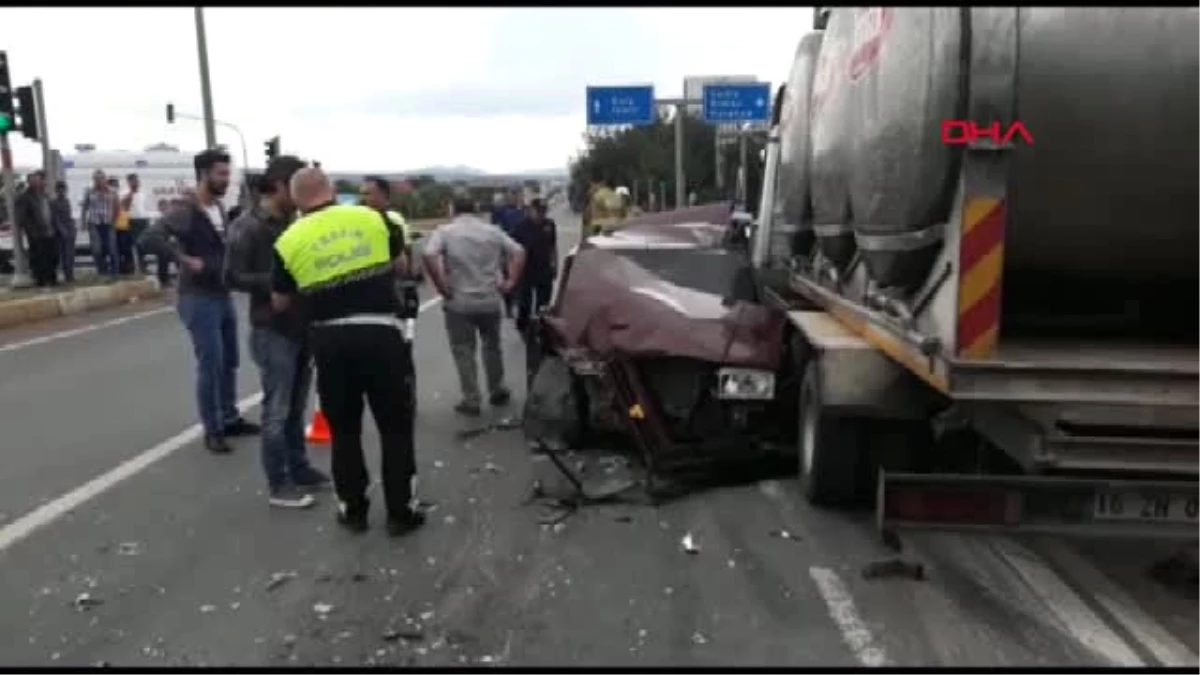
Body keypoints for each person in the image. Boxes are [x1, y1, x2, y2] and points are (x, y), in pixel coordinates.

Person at [271, 167, 424, 536]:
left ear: (296, 200)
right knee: (395, 428)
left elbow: (278, 302)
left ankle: (353, 511)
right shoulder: (372, 218)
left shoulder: (287, 240)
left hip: (329, 341)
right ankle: (401, 513)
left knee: (344, 431)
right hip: (380, 332)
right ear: (332, 190)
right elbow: (401, 265)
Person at [225, 155, 331, 509]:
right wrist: (275, 283)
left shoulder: (293, 223)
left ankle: (299, 468)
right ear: (280, 187)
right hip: (272, 327)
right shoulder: (248, 227)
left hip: (301, 324)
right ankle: (278, 483)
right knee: (277, 409)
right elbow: (231, 276)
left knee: (296, 407)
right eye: (294, 186)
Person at [140, 149, 259, 454]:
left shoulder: (218, 206)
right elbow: (149, 238)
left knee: (229, 360)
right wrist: (182, 259)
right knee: (211, 363)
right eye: (221, 174)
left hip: (221, 294)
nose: (226, 179)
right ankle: (213, 428)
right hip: (198, 298)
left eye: (227, 173)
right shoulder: (185, 208)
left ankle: (230, 417)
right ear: (204, 174)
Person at [422, 191, 525, 417]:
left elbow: (429, 254)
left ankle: (471, 399)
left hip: (459, 301)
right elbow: (518, 252)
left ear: (453, 209)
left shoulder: (445, 232)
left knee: (463, 350)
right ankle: (497, 389)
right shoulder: (492, 231)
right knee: (492, 346)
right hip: (489, 299)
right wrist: (511, 281)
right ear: (476, 209)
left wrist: (441, 285)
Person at [510, 198, 557, 334]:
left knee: (543, 302)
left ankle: (541, 327)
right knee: (524, 302)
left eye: (544, 211)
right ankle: (523, 325)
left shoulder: (549, 225)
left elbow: (552, 246)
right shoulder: (521, 226)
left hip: (544, 268)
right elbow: (512, 249)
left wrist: (554, 264)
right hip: (526, 269)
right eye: (539, 211)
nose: (542, 215)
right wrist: (513, 269)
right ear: (531, 210)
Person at [14, 171, 59, 288]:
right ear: (29, 182)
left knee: (52, 255)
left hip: (49, 231)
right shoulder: (24, 197)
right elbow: (22, 217)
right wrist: (31, 230)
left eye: (39, 180)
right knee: (39, 257)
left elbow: (50, 211)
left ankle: (52, 278)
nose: (38, 182)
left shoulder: (45, 195)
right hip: (36, 233)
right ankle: (41, 280)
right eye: (35, 180)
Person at [491, 191, 525, 318]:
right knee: (507, 276)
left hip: (519, 248)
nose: (515, 197)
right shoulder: (501, 212)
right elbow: (495, 228)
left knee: (520, 277)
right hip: (506, 248)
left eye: (517, 195)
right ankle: (509, 305)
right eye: (513, 195)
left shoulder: (522, 211)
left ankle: (517, 301)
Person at [81, 170, 119, 278]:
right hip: (94, 223)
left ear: (105, 180)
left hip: (109, 223)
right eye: (96, 179)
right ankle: (102, 271)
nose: (98, 181)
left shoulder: (112, 191)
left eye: (101, 179)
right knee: (97, 250)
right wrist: (83, 222)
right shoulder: (89, 192)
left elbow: (117, 207)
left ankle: (114, 273)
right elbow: (84, 208)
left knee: (112, 249)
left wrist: (114, 221)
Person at [123, 173, 152, 276]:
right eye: (134, 181)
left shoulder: (143, 193)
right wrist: (131, 192)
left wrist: (148, 220)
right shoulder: (125, 193)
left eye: (137, 181)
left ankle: (143, 266)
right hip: (132, 221)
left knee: (143, 245)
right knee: (135, 245)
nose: (136, 183)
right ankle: (136, 268)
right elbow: (125, 207)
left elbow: (146, 208)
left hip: (143, 221)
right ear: (129, 182)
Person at [50, 181, 76, 284]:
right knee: (62, 255)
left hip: (70, 230)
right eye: (59, 189)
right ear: (57, 190)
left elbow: (69, 216)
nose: (62, 191)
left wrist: (72, 228)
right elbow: (55, 218)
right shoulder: (54, 202)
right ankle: (64, 275)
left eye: (63, 189)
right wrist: (62, 230)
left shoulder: (67, 201)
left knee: (70, 255)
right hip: (60, 233)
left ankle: (70, 275)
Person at [113, 177, 134, 275]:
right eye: (112, 185)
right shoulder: (110, 197)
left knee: (126, 249)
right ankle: (121, 269)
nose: (114, 187)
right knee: (117, 249)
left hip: (124, 225)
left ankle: (128, 269)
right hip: (114, 227)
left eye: (115, 185)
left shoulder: (121, 196)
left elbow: (127, 203)